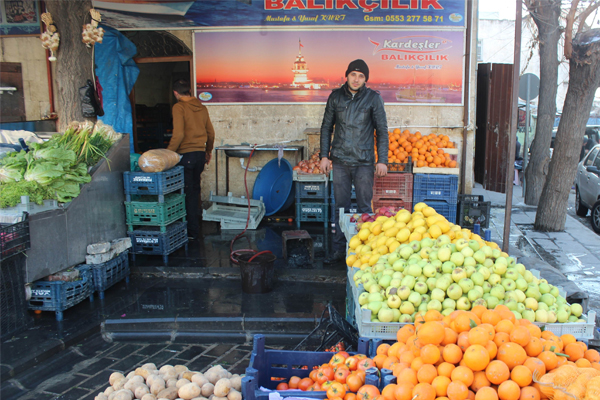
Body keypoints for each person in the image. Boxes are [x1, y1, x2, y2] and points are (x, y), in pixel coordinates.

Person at [319, 59, 388, 264]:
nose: (356, 79)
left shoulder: (373, 99)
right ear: (346, 75)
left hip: (364, 162)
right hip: (339, 160)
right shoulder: (335, 97)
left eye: (361, 76)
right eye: (353, 75)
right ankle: (340, 249)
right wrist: (325, 156)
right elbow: (326, 128)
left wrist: (382, 160)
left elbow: (382, 131)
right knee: (340, 206)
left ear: (365, 79)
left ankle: (364, 250)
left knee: (364, 207)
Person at [167, 79, 215, 240]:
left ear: (175, 93)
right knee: (195, 190)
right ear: (190, 91)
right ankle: (195, 228)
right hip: (200, 155)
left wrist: (167, 154)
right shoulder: (202, 107)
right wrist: (208, 151)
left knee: (186, 193)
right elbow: (211, 133)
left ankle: (191, 232)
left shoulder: (179, 107)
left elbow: (179, 134)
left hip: (185, 156)